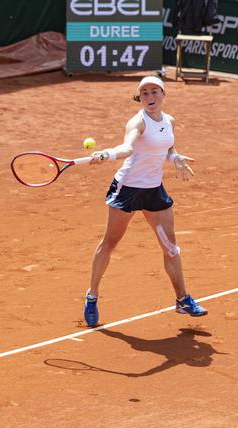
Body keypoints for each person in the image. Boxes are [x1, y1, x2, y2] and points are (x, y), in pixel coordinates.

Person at [83, 74, 207, 327]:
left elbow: (166, 147)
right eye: (145, 93)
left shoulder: (168, 120)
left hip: (153, 190)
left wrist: (175, 158)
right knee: (110, 243)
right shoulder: (137, 122)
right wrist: (107, 154)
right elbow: (128, 148)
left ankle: (182, 299)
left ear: (163, 94)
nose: (150, 97)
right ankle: (92, 296)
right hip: (128, 189)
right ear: (140, 98)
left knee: (170, 247)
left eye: (154, 92)